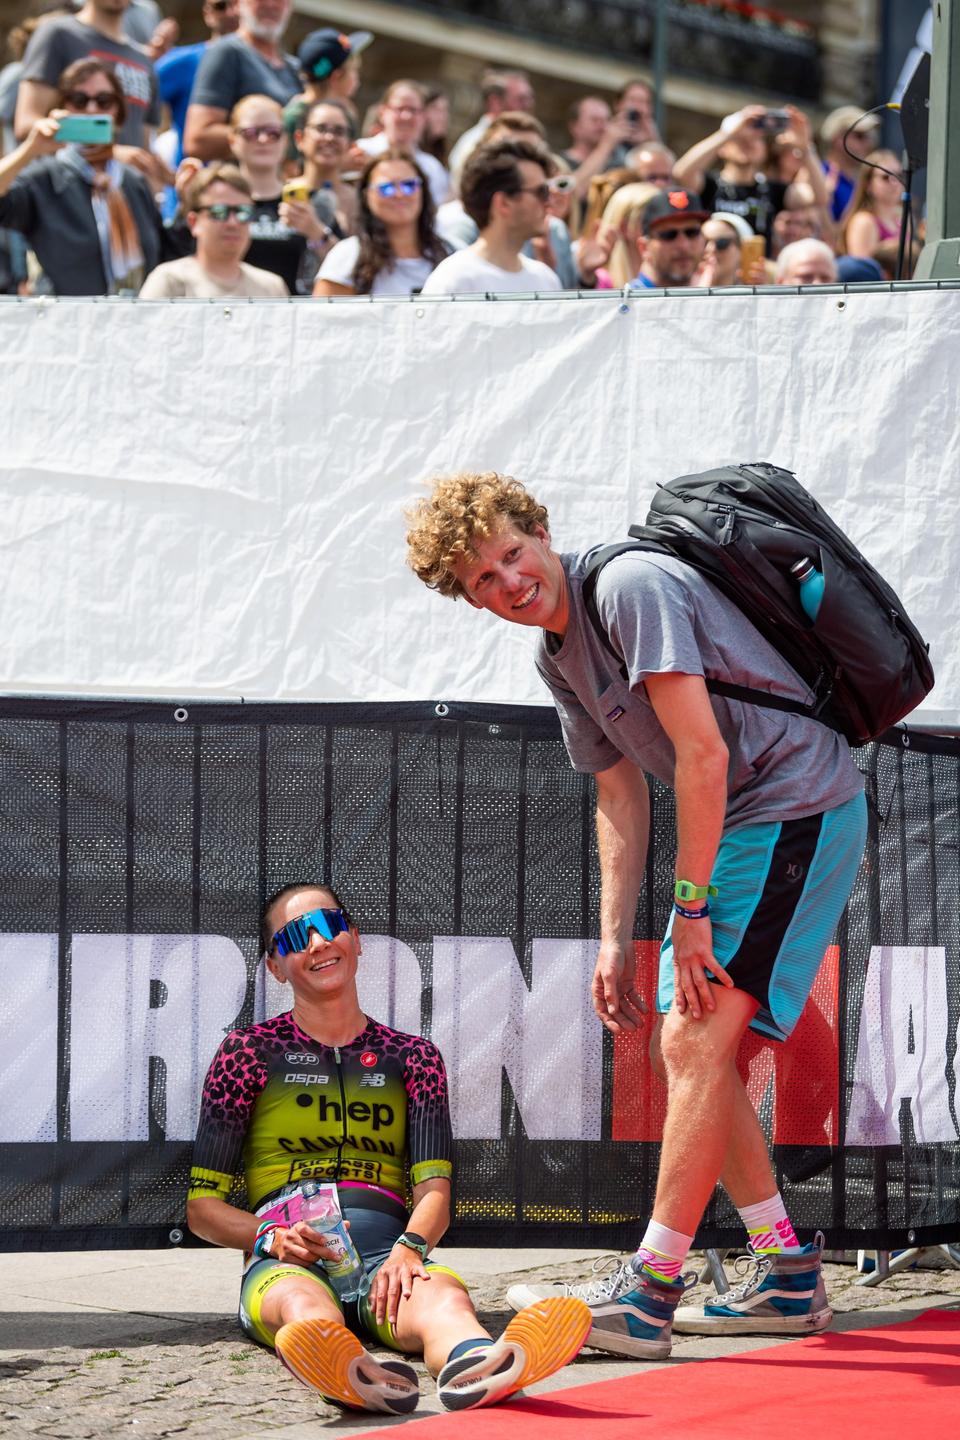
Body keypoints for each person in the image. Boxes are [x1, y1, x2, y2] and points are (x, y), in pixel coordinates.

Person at [405, 474, 866, 1359]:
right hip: (749, 817)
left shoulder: (627, 588)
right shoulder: (555, 654)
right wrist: (617, 938)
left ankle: (650, 1293)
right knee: (697, 1044)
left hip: (793, 802)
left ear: (539, 530)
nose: (508, 584)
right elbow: (619, 794)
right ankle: (789, 1275)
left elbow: (702, 753)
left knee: (691, 1041)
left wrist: (688, 913)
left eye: (510, 554)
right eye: (482, 582)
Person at [186, 881, 590, 1412]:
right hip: (291, 1257)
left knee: (444, 1299)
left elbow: (435, 1192)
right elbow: (201, 1210)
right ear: (275, 967)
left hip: (386, 1253)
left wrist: (411, 1249)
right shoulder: (246, 1053)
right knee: (303, 1305)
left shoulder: (414, 1057)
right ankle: (352, 1370)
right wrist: (271, 1237)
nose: (317, 944)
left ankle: (483, 1365)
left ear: (354, 939)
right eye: (294, 938)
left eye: (329, 926)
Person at [0, 57, 167, 294]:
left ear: (118, 113)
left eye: (104, 101)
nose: (91, 110)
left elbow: (165, 253)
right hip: (65, 323)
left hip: (132, 321)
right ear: (62, 108)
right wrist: (29, 150)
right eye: (79, 100)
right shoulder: (45, 177)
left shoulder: (132, 180)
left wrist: (185, 198)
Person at [15, 0, 161, 159]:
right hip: (65, 180)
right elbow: (27, 124)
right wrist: (111, 153)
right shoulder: (59, 35)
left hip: (124, 182)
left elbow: (144, 143)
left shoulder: (143, 60)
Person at [420, 138, 561, 296]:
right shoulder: (453, 281)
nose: (550, 202)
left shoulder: (546, 280)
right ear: (503, 203)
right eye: (542, 192)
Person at [673, 104, 825, 250]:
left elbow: (820, 197)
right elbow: (681, 173)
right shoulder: (710, 184)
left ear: (765, 150)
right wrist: (726, 133)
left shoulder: (772, 190)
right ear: (722, 148)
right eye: (740, 138)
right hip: (713, 265)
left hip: (755, 272)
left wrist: (805, 148)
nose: (749, 142)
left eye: (757, 139)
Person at [313, 148, 447, 298]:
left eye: (409, 185)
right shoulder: (347, 258)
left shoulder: (449, 254)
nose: (399, 194)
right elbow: (322, 319)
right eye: (386, 188)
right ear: (366, 195)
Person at [139, 161, 286, 296]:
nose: (233, 223)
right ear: (193, 221)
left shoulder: (272, 287)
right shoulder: (168, 281)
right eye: (219, 212)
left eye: (243, 212)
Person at [226, 91, 320, 292]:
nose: (263, 140)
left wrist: (317, 233)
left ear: (286, 140)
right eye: (251, 133)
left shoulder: (310, 201)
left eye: (273, 133)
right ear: (232, 140)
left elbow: (347, 265)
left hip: (294, 315)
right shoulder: (217, 203)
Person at [184, 0, 299, 161]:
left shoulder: (295, 68)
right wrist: (270, 130)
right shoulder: (227, 52)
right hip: (240, 182)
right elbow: (198, 140)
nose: (271, 5)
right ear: (237, 4)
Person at [155, 0, 240, 171]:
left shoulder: (268, 67)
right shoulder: (182, 61)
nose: (231, 13)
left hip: (248, 187)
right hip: (192, 184)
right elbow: (133, 105)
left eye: (238, 4)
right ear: (207, 13)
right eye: (221, 6)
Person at [356, 80, 450, 210]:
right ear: (383, 112)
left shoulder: (433, 168)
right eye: (399, 109)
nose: (406, 116)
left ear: (423, 116)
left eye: (413, 110)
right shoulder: (360, 151)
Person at [282, 27, 370, 162]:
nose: (357, 80)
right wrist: (341, 166)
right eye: (354, 71)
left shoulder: (346, 112)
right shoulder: (293, 118)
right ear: (336, 77)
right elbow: (287, 171)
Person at [446, 68, 535, 181]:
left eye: (531, 98)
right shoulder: (473, 144)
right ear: (495, 102)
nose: (529, 105)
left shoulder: (528, 140)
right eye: (521, 99)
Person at [626, 188, 708, 290]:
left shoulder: (715, 299)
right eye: (669, 235)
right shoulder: (626, 303)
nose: (683, 245)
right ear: (644, 248)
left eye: (692, 233)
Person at [819, 105, 880, 224]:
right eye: (860, 136)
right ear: (837, 139)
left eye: (869, 137)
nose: (869, 143)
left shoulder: (859, 181)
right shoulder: (820, 175)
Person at [840, 150, 904, 259]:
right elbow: (863, 271)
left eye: (899, 175)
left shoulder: (900, 220)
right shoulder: (863, 222)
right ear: (868, 184)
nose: (895, 182)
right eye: (885, 177)